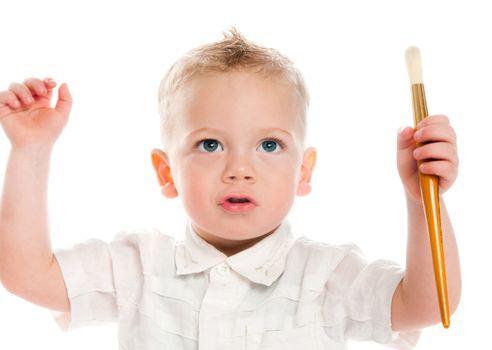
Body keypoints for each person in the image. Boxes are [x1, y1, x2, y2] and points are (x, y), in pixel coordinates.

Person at [0, 28, 461, 349]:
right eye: (210, 143)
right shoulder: (138, 267)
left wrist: (423, 202)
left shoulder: (327, 276)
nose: (239, 169)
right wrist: (30, 152)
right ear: (166, 173)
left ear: (304, 170)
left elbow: (428, 305)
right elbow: (27, 277)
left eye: (269, 144)